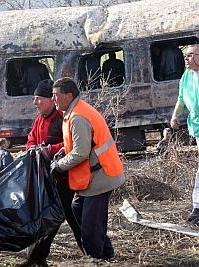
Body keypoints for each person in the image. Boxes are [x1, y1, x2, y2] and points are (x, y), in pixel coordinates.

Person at [50, 77, 126, 260]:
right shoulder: (73, 111)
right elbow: (79, 145)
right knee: (78, 209)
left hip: (101, 176)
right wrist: (63, 150)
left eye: (55, 96)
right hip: (92, 175)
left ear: (68, 96)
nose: (53, 100)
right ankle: (106, 254)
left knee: (90, 227)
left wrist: (58, 166)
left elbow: (81, 153)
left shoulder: (77, 117)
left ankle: (96, 259)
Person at [18, 79, 82, 267]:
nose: (35, 103)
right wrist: (33, 149)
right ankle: (36, 259)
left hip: (65, 180)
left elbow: (70, 144)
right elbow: (30, 140)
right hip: (47, 180)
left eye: (38, 99)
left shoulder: (64, 118)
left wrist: (50, 150)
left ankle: (96, 255)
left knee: (73, 219)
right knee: (49, 220)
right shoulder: (39, 120)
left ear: (50, 100)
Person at [170, 44, 199, 225]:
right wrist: (175, 116)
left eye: (190, 55)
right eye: (185, 55)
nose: (186, 59)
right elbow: (181, 98)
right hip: (196, 126)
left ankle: (197, 207)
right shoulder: (187, 76)